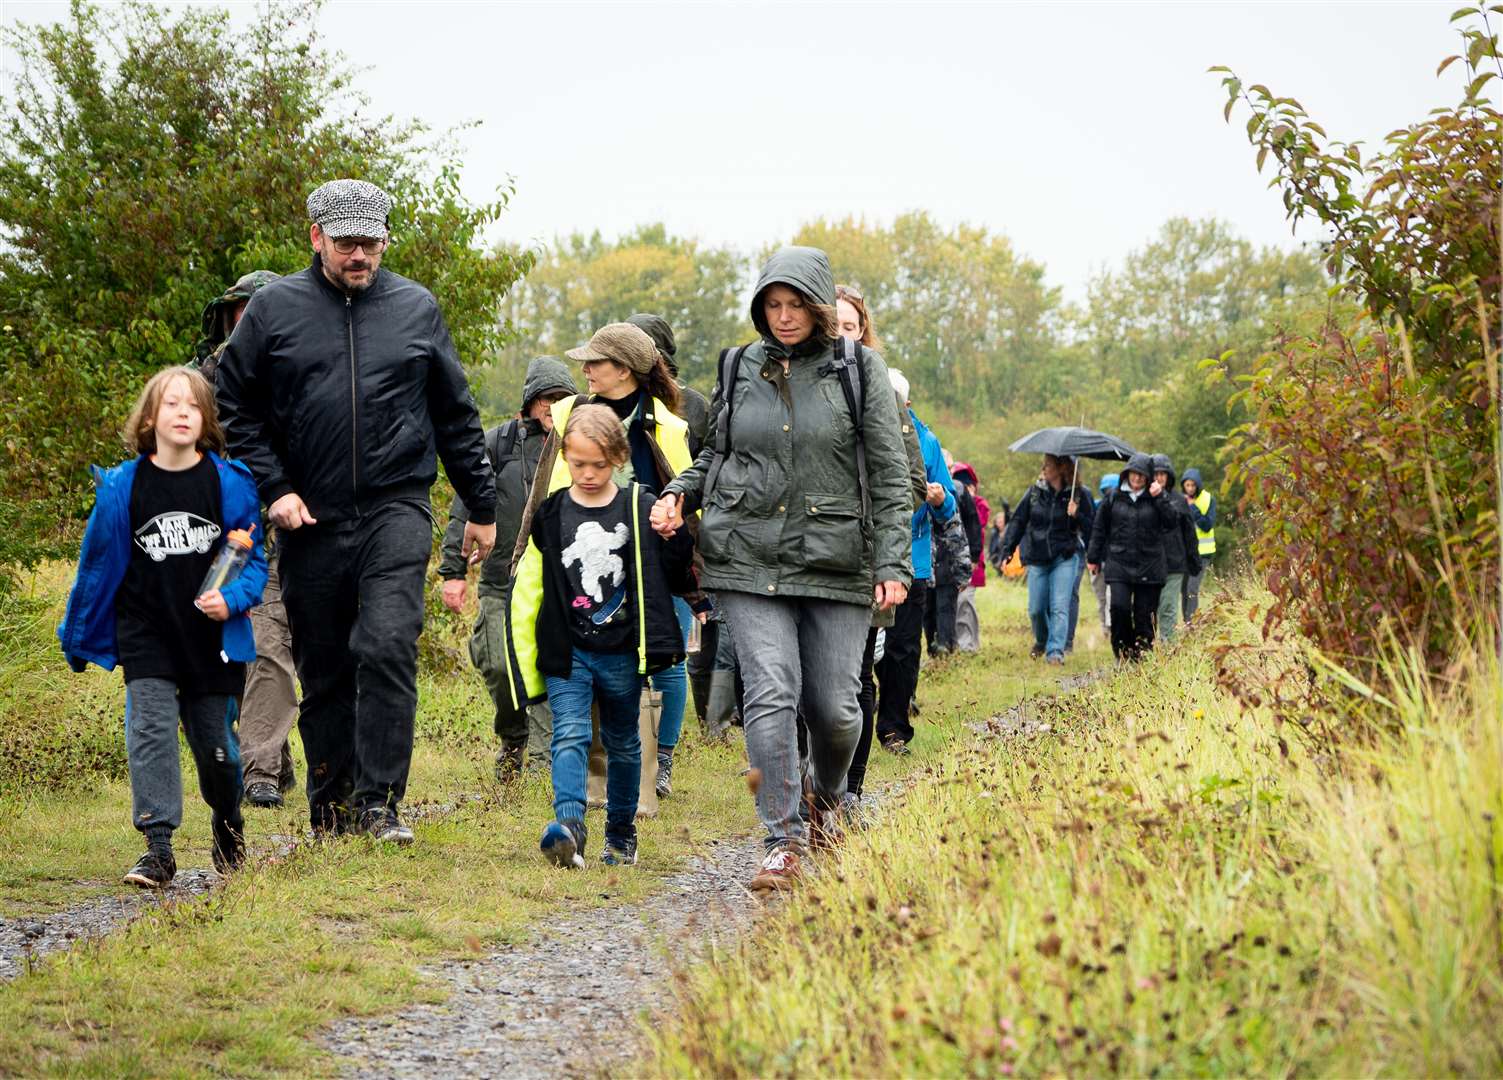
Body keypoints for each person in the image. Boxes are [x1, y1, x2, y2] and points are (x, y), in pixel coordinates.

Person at [217, 178, 498, 845]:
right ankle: (333, 809)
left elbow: (454, 415)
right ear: (316, 237)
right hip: (306, 515)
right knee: (326, 666)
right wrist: (275, 487)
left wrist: (482, 506)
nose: (359, 257)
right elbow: (233, 407)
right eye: (346, 244)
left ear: (384, 241)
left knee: (387, 643)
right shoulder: (273, 310)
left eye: (371, 244)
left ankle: (380, 805)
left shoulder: (415, 307)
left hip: (395, 504)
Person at [651, 246, 912, 891]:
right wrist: (680, 492)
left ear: (821, 308)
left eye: (796, 304)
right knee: (771, 692)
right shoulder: (739, 366)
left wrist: (893, 561)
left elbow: (890, 474)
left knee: (836, 710)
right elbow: (716, 454)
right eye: (773, 304)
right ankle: (783, 839)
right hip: (747, 555)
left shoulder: (860, 371)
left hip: (838, 559)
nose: (784, 316)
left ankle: (828, 799)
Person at [58, 366, 267, 887]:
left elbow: (254, 562)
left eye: (193, 405)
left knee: (217, 749)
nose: (182, 413)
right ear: (150, 418)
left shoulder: (229, 483)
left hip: (210, 641)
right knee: (148, 730)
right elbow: (96, 568)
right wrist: (77, 635)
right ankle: (158, 846)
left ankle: (228, 818)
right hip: (146, 632)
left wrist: (233, 599)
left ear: (206, 419)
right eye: (171, 404)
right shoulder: (122, 488)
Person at [508, 322, 699, 801]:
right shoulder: (570, 411)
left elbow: (685, 491)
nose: (585, 370)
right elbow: (544, 483)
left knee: (663, 654)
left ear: (625, 370)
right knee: (588, 653)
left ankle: (662, 759)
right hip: (581, 548)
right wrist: (533, 545)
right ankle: (597, 772)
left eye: (594, 363)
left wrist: (688, 565)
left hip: (649, 554)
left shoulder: (669, 424)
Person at [438, 357, 577, 779]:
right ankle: (513, 737)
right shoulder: (499, 443)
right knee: (498, 664)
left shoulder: (580, 444)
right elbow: (466, 504)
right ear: (530, 402)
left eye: (560, 399)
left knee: (545, 668)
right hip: (501, 580)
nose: (552, 408)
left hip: (557, 585)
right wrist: (453, 571)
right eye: (545, 399)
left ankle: (539, 761)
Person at [194, 269, 301, 808]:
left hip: (283, 533)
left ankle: (259, 767)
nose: (248, 321)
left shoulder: (299, 373)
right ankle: (272, 762)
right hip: (214, 537)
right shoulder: (200, 384)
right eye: (241, 311)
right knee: (234, 654)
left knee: (270, 647)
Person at [834, 284, 928, 815]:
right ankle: (811, 786)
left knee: (852, 677)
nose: (841, 337)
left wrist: (870, 521)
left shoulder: (886, 396)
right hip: (805, 558)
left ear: (863, 333)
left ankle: (851, 789)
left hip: (867, 556)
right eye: (834, 327)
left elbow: (911, 480)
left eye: (850, 328)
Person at [874, 370, 954, 755]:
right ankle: (854, 720)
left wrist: (939, 499)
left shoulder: (927, 442)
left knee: (903, 649)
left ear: (906, 405)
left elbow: (949, 506)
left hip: (913, 560)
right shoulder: (862, 433)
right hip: (865, 559)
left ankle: (893, 730)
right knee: (860, 649)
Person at [999, 454, 1094, 664]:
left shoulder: (1079, 495)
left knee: (1060, 605)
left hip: (1065, 557)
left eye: (1048, 465)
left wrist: (1077, 514)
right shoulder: (1034, 493)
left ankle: (1055, 653)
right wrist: (1008, 549)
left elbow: (1092, 528)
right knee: (1036, 609)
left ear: (1062, 468)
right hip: (1038, 557)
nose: (1044, 469)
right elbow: (1018, 521)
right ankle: (1042, 641)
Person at [1086, 452, 1172, 662]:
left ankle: (1142, 657)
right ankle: (1122, 653)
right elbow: (1099, 529)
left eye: (1141, 476)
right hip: (1119, 563)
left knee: (1145, 615)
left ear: (1148, 477)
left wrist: (1159, 498)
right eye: (1133, 474)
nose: (1137, 479)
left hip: (1149, 565)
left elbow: (1171, 523)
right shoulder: (1113, 498)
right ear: (1126, 474)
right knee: (1119, 608)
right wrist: (1093, 558)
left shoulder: (1157, 498)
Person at [1152, 454, 1202, 643]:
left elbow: (1189, 533)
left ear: (1169, 476)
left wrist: (1193, 559)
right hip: (1150, 563)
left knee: (1168, 606)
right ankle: (1150, 647)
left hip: (1174, 562)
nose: (1159, 478)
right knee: (1152, 607)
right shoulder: (1145, 499)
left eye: (1163, 474)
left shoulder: (1179, 500)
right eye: (1155, 474)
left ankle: (1169, 647)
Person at [950, 462, 988, 653]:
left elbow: (979, 523)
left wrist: (970, 501)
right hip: (952, 561)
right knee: (953, 605)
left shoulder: (979, 504)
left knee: (965, 603)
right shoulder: (951, 499)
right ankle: (955, 643)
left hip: (973, 564)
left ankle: (969, 644)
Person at [1063, 461, 1096, 655]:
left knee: (1070, 594)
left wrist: (1076, 514)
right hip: (1054, 552)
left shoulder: (1084, 494)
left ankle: (1067, 642)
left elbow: (1091, 526)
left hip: (1077, 550)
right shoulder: (1049, 492)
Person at [1181, 467, 1216, 621]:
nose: (1189, 489)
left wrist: (1192, 507)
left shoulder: (1208, 499)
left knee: (1192, 589)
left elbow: (1207, 525)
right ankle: (1186, 622)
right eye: (1187, 485)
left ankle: (1192, 624)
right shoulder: (1179, 500)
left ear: (1198, 485)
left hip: (1203, 553)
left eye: (1192, 485)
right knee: (1184, 590)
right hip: (1185, 553)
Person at [1090, 473, 1119, 631]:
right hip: (1098, 561)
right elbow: (1093, 534)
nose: (1110, 492)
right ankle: (1104, 626)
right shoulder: (1096, 507)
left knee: (1112, 596)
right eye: (1107, 489)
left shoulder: (1123, 509)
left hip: (1114, 561)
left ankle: (1111, 625)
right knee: (1101, 597)